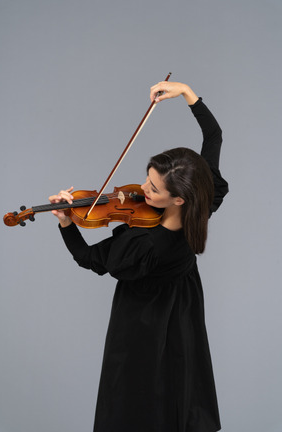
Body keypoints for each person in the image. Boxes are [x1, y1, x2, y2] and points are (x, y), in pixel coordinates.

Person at [49, 81, 228, 432]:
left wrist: (67, 223)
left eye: (153, 189)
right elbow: (214, 136)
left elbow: (87, 257)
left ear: (179, 198)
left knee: (135, 394)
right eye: (148, 179)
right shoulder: (202, 205)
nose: (140, 190)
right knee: (179, 383)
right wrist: (188, 93)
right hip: (183, 310)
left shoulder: (143, 245)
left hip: (141, 324)